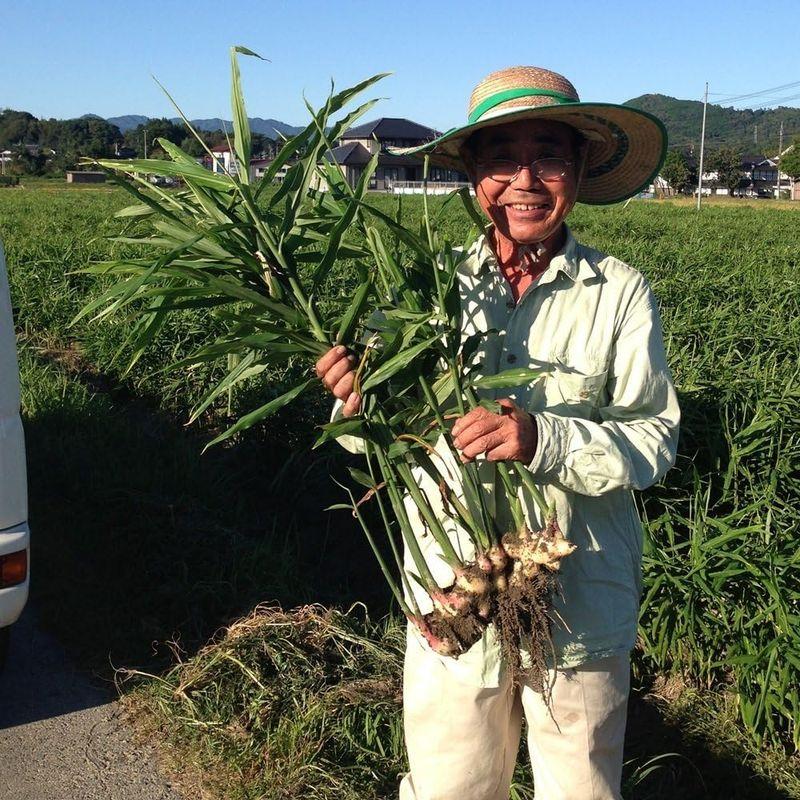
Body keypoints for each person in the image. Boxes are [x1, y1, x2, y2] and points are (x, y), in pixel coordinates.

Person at [315, 66, 680, 800]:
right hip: (453, 601)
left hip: (577, 607)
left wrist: (544, 438)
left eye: (548, 154)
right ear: (475, 174)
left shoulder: (621, 293)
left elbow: (653, 440)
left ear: (579, 168)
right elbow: (373, 445)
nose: (525, 179)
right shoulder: (428, 287)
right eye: (500, 158)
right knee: (450, 791)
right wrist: (354, 405)